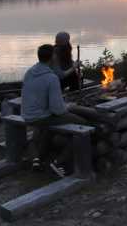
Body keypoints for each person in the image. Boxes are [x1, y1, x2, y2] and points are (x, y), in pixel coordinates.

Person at [22, 44, 87, 176]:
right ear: (52, 58)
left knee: (48, 129)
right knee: (83, 125)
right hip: (41, 117)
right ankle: (59, 162)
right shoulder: (51, 78)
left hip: (27, 114)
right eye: (55, 55)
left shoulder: (29, 72)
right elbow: (58, 110)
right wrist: (68, 106)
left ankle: (37, 159)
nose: (56, 58)